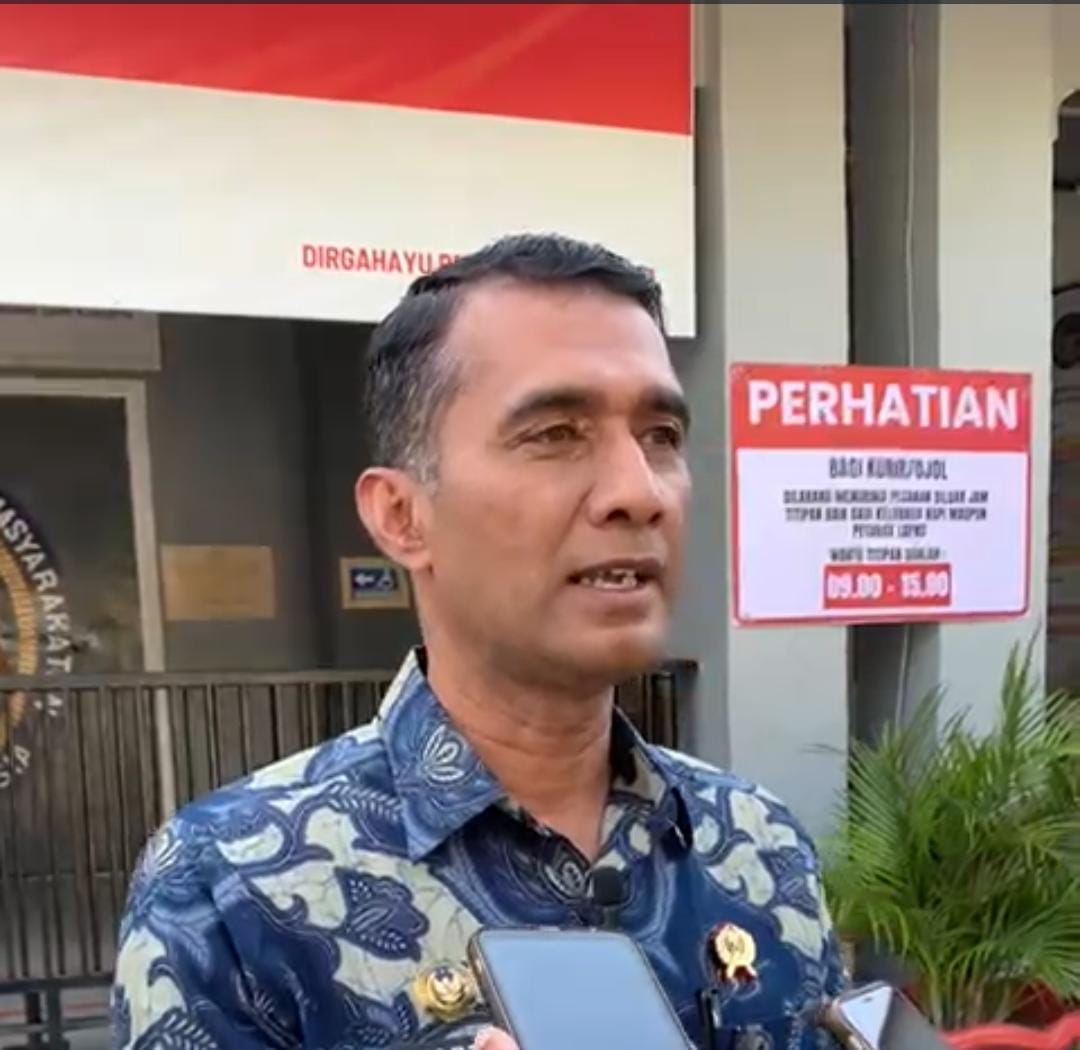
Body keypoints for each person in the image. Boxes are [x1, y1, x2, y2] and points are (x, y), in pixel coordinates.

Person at [112, 234, 845, 1050]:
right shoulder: (232, 884)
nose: (638, 491)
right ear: (401, 516)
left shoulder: (758, 842)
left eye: (661, 434)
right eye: (555, 433)